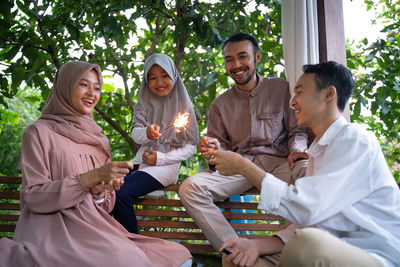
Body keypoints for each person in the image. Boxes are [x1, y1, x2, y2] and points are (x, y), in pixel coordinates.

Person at [0, 61, 192, 267]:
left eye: (97, 87)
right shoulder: (38, 132)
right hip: (51, 231)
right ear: (65, 85)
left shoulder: (98, 139)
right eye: (83, 84)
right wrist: (89, 179)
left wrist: (100, 191)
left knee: (178, 254)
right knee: (128, 260)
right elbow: (33, 197)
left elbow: (106, 205)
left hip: (95, 227)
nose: (92, 93)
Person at [209, 61, 400, 267]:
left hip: (372, 255)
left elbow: (308, 209)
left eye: (299, 93)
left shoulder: (354, 139)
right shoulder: (318, 150)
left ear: (329, 94)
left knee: (304, 246)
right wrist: (256, 246)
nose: (292, 102)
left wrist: (243, 166)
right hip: (321, 247)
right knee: (236, 257)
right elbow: (310, 223)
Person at [179, 33, 309, 251]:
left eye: (242, 57)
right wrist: (214, 151)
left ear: (257, 57)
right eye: (229, 59)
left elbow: (298, 130)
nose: (236, 65)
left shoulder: (282, 89)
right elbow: (218, 149)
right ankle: (234, 250)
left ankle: (290, 251)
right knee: (190, 188)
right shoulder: (220, 105)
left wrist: (297, 150)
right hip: (238, 169)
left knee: (307, 173)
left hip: (278, 164)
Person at [111, 53, 198, 234]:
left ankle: (132, 248)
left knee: (121, 193)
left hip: (166, 167)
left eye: (165, 76)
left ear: (173, 75)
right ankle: (113, 243)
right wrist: (147, 133)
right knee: (109, 185)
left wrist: (161, 158)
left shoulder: (184, 106)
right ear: (146, 81)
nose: (160, 83)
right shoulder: (144, 103)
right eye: (153, 78)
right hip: (141, 161)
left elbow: (191, 145)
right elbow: (136, 133)